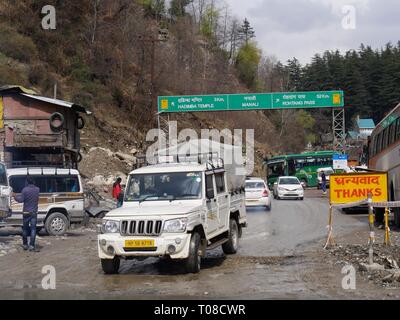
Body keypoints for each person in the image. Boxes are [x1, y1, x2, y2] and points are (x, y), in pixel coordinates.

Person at [13, 176, 40, 252]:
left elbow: (21, 200)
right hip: (34, 212)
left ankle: (25, 245)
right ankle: (32, 245)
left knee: (25, 229)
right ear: (33, 181)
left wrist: (14, 196)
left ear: (27, 182)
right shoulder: (37, 189)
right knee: (33, 229)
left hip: (26, 212)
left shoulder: (25, 190)